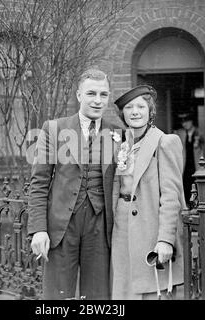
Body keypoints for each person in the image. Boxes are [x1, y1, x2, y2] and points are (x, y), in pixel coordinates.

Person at [27, 68, 121, 300]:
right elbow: (38, 183)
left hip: (101, 224)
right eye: (91, 93)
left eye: (103, 95)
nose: (97, 101)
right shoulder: (54, 129)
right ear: (79, 95)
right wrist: (39, 229)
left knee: (98, 296)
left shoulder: (118, 132)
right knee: (58, 296)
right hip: (61, 224)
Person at [111, 84, 185, 300]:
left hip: (150, 230)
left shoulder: (164, 142)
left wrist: (165, 240)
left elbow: (172, 197)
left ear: (150, 111)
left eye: (141, 107)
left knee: (153, 293)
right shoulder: (122, 146)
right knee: (125, 292)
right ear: (122, 114)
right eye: (129, 107)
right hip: (121, 229)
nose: (135, 112)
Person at [174, 112, 204, 206]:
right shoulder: (181, 133)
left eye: (187, 121)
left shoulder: (199, 132)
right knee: (186, 184)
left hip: (196, 164)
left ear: (191, 122)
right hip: (185, 165)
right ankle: (187, 205)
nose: (184, 124)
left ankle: (196, 205)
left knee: (196, 185)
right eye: (183, 122)